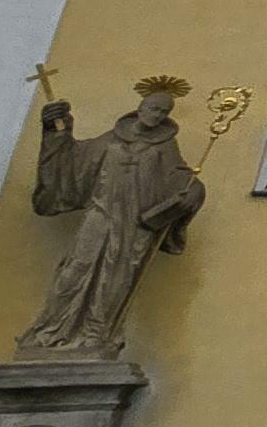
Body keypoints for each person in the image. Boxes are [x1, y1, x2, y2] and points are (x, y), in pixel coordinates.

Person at [15, 78, 208, 355]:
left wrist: (195, 190)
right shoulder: (111, 140)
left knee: (116, 280)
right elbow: (74, 162)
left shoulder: (164, 147)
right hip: (101, 213)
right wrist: (57, 130)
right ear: (141, 108)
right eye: (154, 108)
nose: (157, 115)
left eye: (164, 112)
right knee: (74, 270)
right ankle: (50, 329)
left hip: (135, 226)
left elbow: (179, 177)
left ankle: (97, 334)